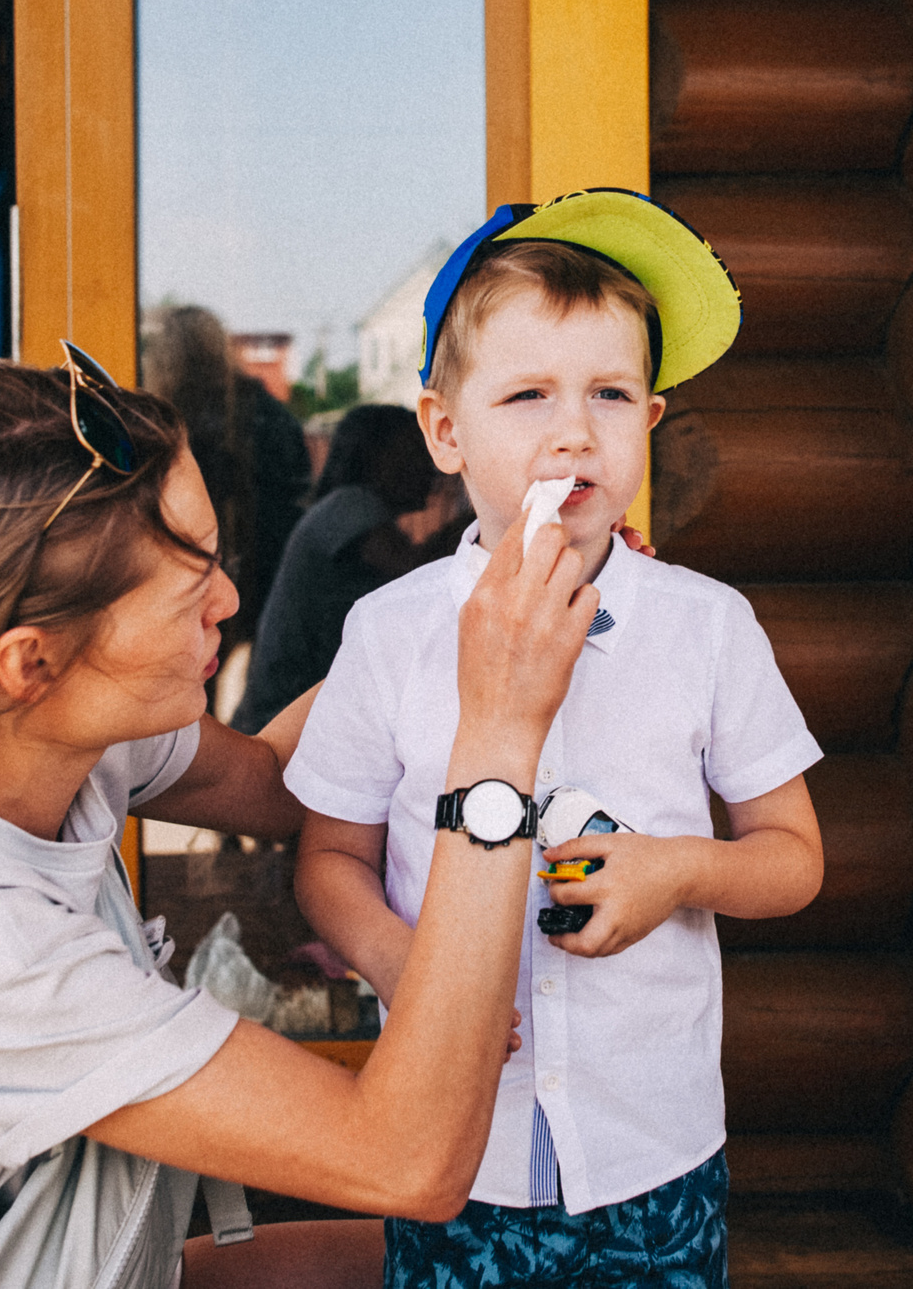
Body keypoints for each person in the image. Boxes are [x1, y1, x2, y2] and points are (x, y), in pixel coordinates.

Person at [0, 347, 598, 1288]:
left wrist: (443, 620)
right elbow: (408, 1159)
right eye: (193, 589)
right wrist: (499, 737)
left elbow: (278, 781)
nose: (231, 600)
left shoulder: (33, 738)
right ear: (30, 662)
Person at [287, 191, 827, 1289]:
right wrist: (402, 962)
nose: (575, 430)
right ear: (445, 430)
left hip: (652, 1151)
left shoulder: (708, 626)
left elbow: (793, 858)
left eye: (610, 394)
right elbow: (328, 859)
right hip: (452, 1149)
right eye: (528, 393)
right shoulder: (388, 634)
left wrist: (680, 870)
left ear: (650, 424)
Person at [234, 404, 449, 736]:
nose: (431, 467)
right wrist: (478, 527)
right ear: (377, 458)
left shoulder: (346, 511)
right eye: (415, 451)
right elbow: (417, 572)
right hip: (278, 729)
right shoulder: (349, 506)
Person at [142, 304, 310, 649]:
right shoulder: (266, 412)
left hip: (210, 571)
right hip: (272, 568)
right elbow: (298, 482)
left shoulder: (167, 427)